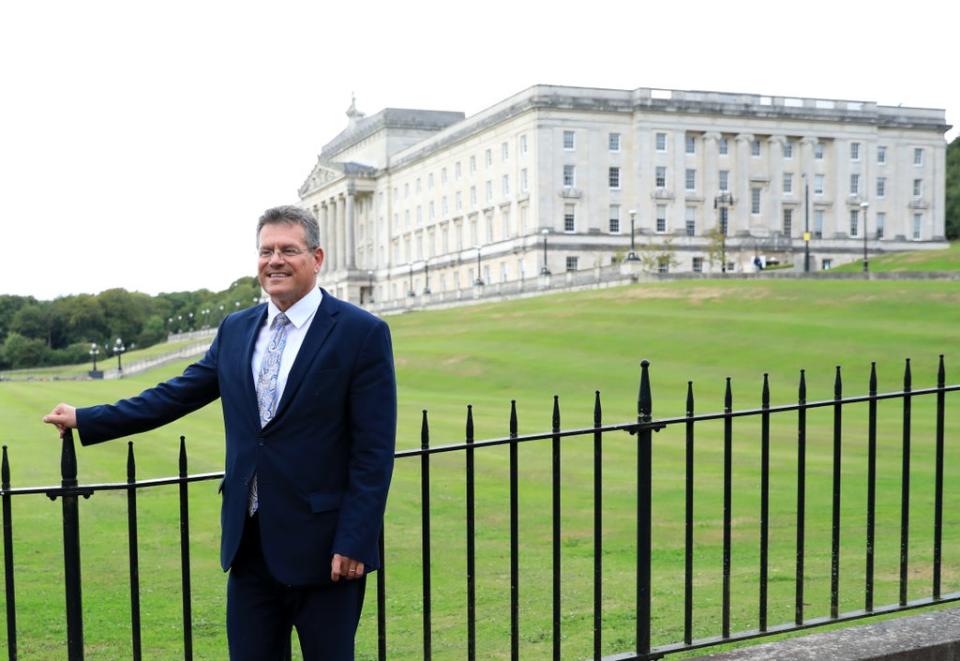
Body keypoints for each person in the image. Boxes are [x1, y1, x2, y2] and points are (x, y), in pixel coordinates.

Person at [43, 205, 396, 660]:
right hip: (250, 547)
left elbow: (373, 451)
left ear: (317, 257)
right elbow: (177, 394)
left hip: (326, 551)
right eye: (266, 250)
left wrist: (355, 541)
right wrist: (88, 418)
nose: (275, 260)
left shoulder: (360, 333)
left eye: (289, 249)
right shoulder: (236, 328)